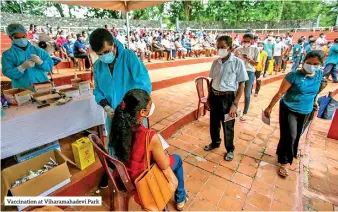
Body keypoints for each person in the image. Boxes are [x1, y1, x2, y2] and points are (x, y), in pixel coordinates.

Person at [89, 28, 152, 188]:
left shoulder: (128, 57)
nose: (104, 56)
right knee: (114, 144)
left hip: (132, 112)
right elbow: (97, 90)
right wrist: (106, 106)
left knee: (136, 144)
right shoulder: (98, 66)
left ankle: (138, 174)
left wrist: (129, 106)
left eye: (106, 51)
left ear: (114, 45)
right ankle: (114, 171)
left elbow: (143, 84)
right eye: (100, 54)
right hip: (113, 115)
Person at [110, 89, 187, 211]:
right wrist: (163, 153)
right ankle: (180, 197)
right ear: (142, 112)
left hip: (127, 174)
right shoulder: (150, 136)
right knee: (177, 159)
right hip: (142, 179)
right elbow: (164, 165)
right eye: (149, 106)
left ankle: (181, 196)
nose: (151, 107)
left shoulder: (119, 125)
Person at [264, 50, 327, 177]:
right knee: (291, 135)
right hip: (289, 108)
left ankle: (282, 151)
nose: (311, 65)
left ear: (320, 64)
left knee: (296, 134)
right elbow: (280, 93)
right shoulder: (293, 75)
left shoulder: (319, 75)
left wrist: (315, 101)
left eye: (315, 64)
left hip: (307, 110)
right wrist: (269, 107)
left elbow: (318, 89)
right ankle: (284, 162)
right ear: (303, 62)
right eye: (309, 63)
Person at [204, 35, 248, 161]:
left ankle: (230, 149)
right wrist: (208, 99)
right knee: (213, 124)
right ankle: (215, 142)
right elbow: (212, 81)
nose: (220, 50)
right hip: (215, 97)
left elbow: (242, 84)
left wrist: (235, 104)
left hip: (228, 99)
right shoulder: (215, 62)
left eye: (222, 47)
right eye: (218, 47)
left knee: (228, 126)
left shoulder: (237, 63)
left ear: (230, 47)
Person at [2, 23, 53, 90]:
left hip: (42, 85)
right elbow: (8, 72)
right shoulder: (8, 54)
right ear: (11, 37)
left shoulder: (38, 51)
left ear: (26, 35)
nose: (21, 39)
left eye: (23, 37)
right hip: (22, 89)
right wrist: (21, 67)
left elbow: (49, 67)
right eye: (17, 38)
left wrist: (41, 63)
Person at [235, 33, 260, 121]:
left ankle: (245, 113)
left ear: (252, 41)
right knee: (236, 92)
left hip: (249, 72)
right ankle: (236, 109)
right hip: (239, 72)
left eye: (247, 41)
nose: (245, 43)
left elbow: (256, 64)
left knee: (247, 94)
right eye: (244, 41)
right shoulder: (238, 49)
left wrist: (248, 59)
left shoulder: (255, 49)